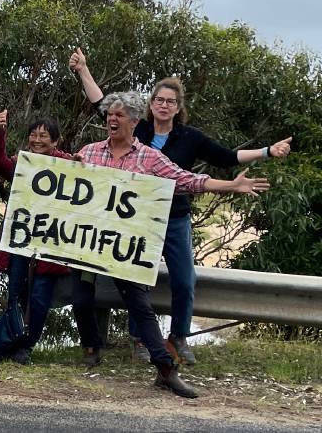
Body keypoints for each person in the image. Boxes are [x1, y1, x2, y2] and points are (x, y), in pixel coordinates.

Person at [70, 48, 292, 364]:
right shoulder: (138, 131)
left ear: (178, 108)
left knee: (185, 280)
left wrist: (267, 152)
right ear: (149, 106)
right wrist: (83, 70)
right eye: (158, 100)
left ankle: (179, 337)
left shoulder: (190, 138)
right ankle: (141, 340)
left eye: (170, 102)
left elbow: (225, 159)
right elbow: (101, 105)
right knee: (138, 279)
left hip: (174, 217)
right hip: (139, 221)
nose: (163, 105)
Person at [0, 110, 72, 365]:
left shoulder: (66, 165)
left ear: (55, 141)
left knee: (39, 297)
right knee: (16, 293)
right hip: (21, 241)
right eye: (33, 135)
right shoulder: (22, 164)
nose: (37, 140)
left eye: (43, 136)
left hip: (49, 244)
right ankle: (10, 341)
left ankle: (26, 346)